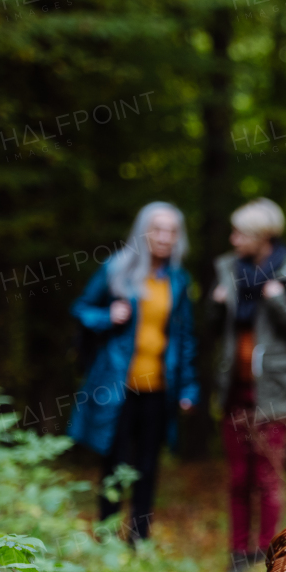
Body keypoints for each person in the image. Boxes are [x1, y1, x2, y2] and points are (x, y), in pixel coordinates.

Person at [69, 202, 200, 543]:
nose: (165, 237)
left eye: (172, 231)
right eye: (158, 229)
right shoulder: (117, 268)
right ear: (143, 231)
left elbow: (184, 337)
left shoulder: (178, 280)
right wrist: (106, 316)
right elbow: (81, 309)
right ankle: (106, 534)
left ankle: (138, 539)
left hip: (160, 388)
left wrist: (188, 387)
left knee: (148, 465)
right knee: (114, 461)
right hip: (117, 385)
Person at [211, 198, 286, 572]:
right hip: (235, 390)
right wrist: (216, 305)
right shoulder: (227, 271)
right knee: (239, 477)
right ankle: (238, 553)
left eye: (241, 232)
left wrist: (277, 300)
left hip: (275, 390)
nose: (233, 238)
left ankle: (266, 552)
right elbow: (214, 332)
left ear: (261, 237)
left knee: (267, 476)